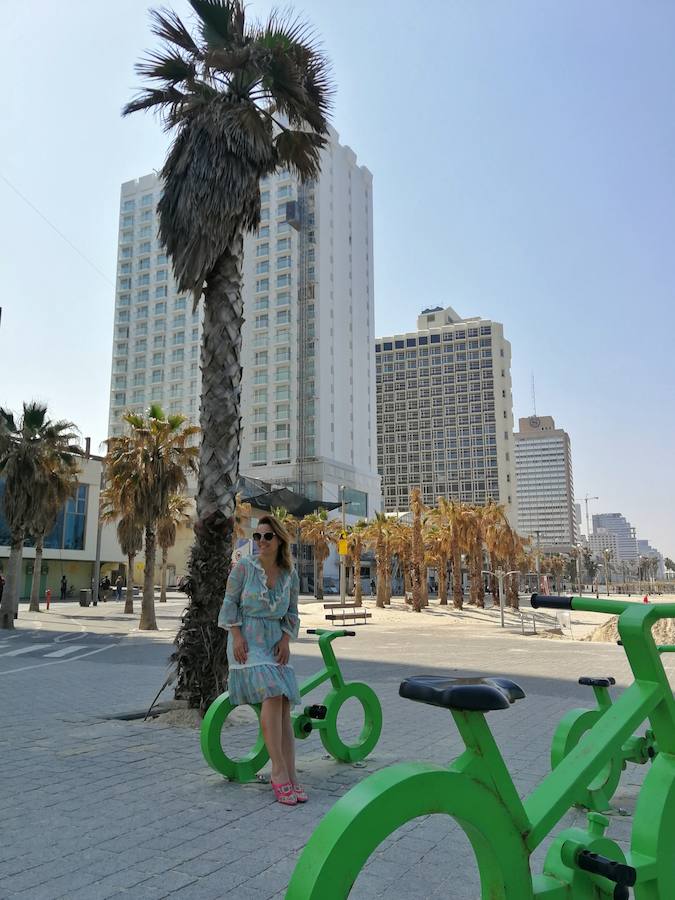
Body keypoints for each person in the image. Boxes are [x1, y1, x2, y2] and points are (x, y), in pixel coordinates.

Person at [218, 514, 303, 806]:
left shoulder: (290, 574)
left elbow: (292, 612)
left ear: (279, 540)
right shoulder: (244, 567)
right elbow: (229, 603)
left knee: (283, 705)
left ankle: (291, 774)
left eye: (267, 536)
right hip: (248, 641)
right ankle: (278, 772)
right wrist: (237, 637)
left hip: (274, 641)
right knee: (272, 691)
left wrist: (285, 640)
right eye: (258, 536)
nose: (261, 542)